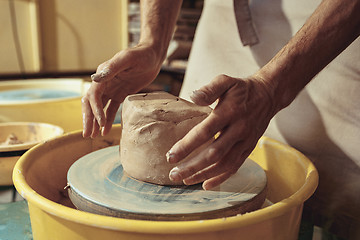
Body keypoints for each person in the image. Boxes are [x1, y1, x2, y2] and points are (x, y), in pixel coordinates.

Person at [82, 0, 360, 238]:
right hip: (225, 18)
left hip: (328, 30)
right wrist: (153, 41)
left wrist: (272, 88)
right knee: (198, 123)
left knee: (325, 199)